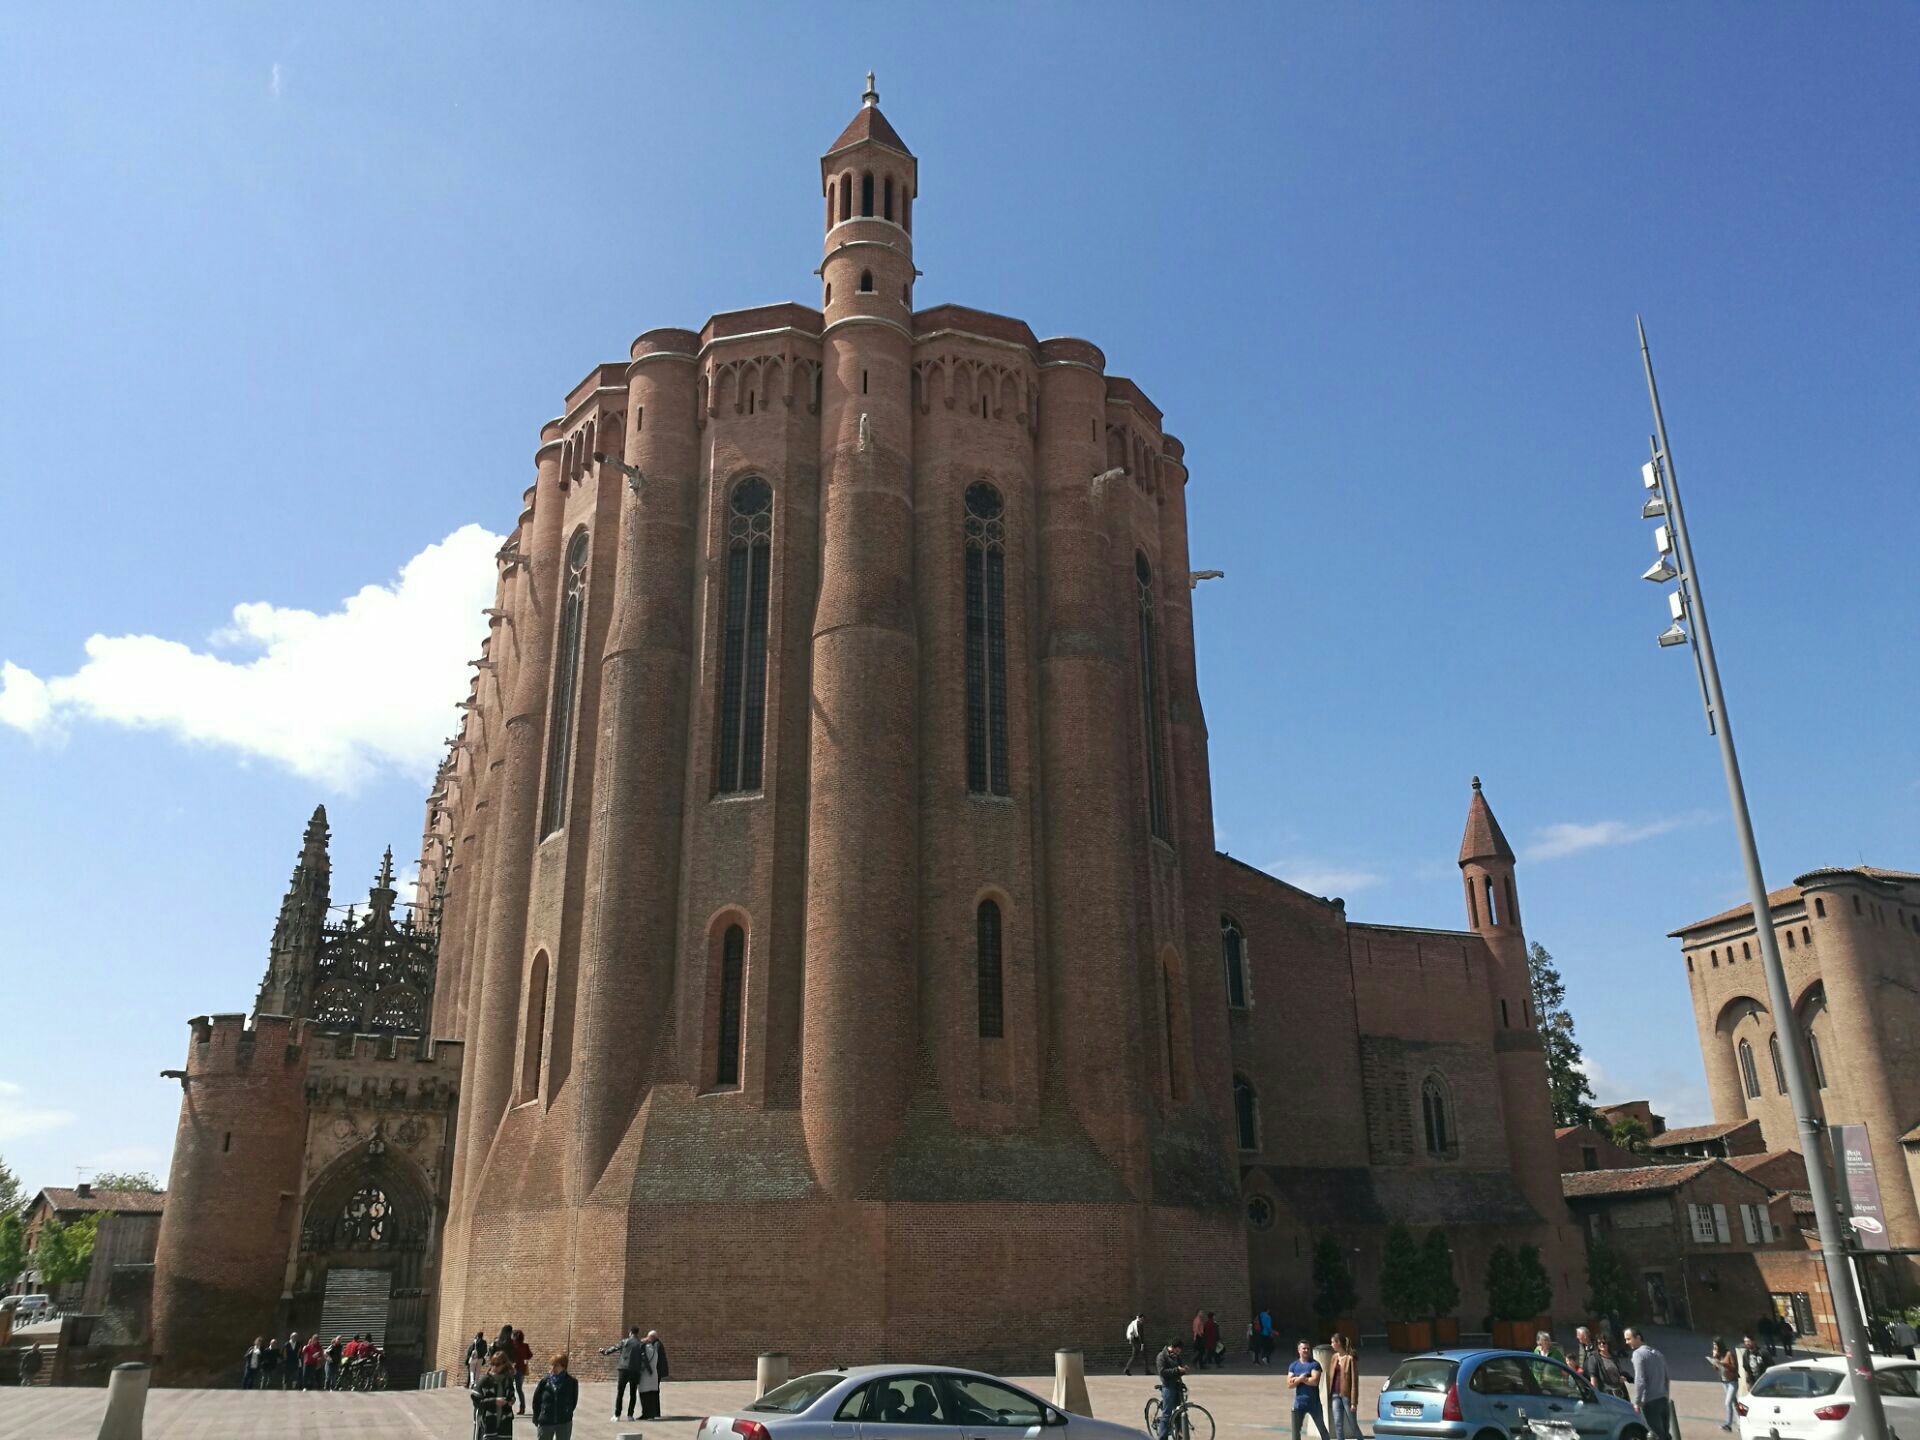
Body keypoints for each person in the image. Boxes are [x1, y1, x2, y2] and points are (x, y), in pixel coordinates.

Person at [1624, 1327, 1671, 1440]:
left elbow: (1640, 1379)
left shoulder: (1638, 1354)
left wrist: (1637, 1402)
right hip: (1663, 1400)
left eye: (1629, 1339)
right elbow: (1666, 1378)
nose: (1626, 1342)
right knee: (1665, 1434)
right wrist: (1666, 1395)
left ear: (1638, 1337)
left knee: (1656, 1435)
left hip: (1650, 1402)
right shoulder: (1658, 1353)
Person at [1288, 1341, 1330, 1440]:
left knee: (1322, 1429)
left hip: (1314, 1403)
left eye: (1308, 1348)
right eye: (1304, 1348)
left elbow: (1314, 1381)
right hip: (1299, 1404)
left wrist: (1297, 1379)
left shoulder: (1314, 1364)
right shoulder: (1293, 1365)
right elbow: (1289, 1384)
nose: (1306, 1350)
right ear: (1299, 1350)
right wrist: (1301, 1378)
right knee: (1296, 1431)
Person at [532, 1353, 579, 1440]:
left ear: (564, 1367)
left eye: (556, 1365)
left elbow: (573, 1401)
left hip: (564, 1422)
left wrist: (567, 1412)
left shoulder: (572, 1382)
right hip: (546, 1421)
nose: (553, 1368)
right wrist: (536, 1417)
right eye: (552, 1365)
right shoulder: (544, 1381)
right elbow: (536, 1400)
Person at [601, 1326, 644, 1420]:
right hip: (635, 1370)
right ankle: (630, 1415)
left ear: (630, 1333)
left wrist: (605, 1352)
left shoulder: (625, 1341)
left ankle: (617, 1415)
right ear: (637, 1333)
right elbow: (643, 1357)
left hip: (623, 1369)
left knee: (620, 1393)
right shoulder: (640, 1344)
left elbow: (615, 1348)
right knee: (633, 1393)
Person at [473, 1350, 518, 1438]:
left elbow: (511, 1396)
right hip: (488, 1423)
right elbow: (476, 1401)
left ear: (504, 1364)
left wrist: (511, 1400)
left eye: (497, 1364)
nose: (494, 1367)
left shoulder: (508, 1380)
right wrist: (494, 1401)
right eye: (492, 1363)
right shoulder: (485, 1380)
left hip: (505, 1423)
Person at [1152, 1338, 1187, 1440]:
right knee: (1167, 1414)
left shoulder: (1176, 1356)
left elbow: (1179, 1368)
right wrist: (1177, 1370)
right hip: (1168, 1386)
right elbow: (1163, 1372)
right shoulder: (1161, 1356)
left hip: (1177, 1385)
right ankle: (1162, 1438)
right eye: (1177, 1350)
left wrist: (1183, 1369)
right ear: (1173, 1347)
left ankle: (1179, 1437)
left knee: (1178, 1412)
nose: (1178, 1353)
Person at [1328, 1334, 1360, 1440]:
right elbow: (1330, 1376)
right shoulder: (1334, 1357)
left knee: (1352, 1424)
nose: (1331, 1344)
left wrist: (1353, 1402)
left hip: (1346, 1396)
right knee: (1338, 1423)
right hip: (1335, 1394)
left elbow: (1354, 1382)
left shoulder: (1350, 1359)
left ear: (1339, 1343)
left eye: (1333, 1342)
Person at [638, 1329, 668, 1420]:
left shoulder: (656, 1345)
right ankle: (655, 1412)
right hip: (656, 1371)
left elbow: (654, 1358)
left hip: (656, 1372)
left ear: (652, 1337)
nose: (647, 1338)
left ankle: (654, 1412)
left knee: (653, 1392)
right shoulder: (657, 1344)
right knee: (654, 1392)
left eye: (649, 1337)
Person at [1708, 1338, 1736, 1431]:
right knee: (1734, 1403)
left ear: (1720, 1345)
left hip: (1732, 1381)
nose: (1714, 1347)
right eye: (1713, 1346)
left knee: (1728, 1402)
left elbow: (1734, 1368)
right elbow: (1716, 1369)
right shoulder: (1718, 1355)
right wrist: (1714, 1359)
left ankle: (1728, 1424)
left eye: (1716, 1345)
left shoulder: (1729, 1354)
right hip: (1724, 1382)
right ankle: (1742, 1421)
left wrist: (1723, 1363)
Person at [512, 1328, 533, 1413]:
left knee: (509, 1387)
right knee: (519, 1389)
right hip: (521, 1369)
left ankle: (508, 1405)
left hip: (511, 1369)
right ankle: (522, 1407)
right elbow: (530, 1355)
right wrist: (524, 1359)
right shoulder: (525, 1345)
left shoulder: (512, 1345)